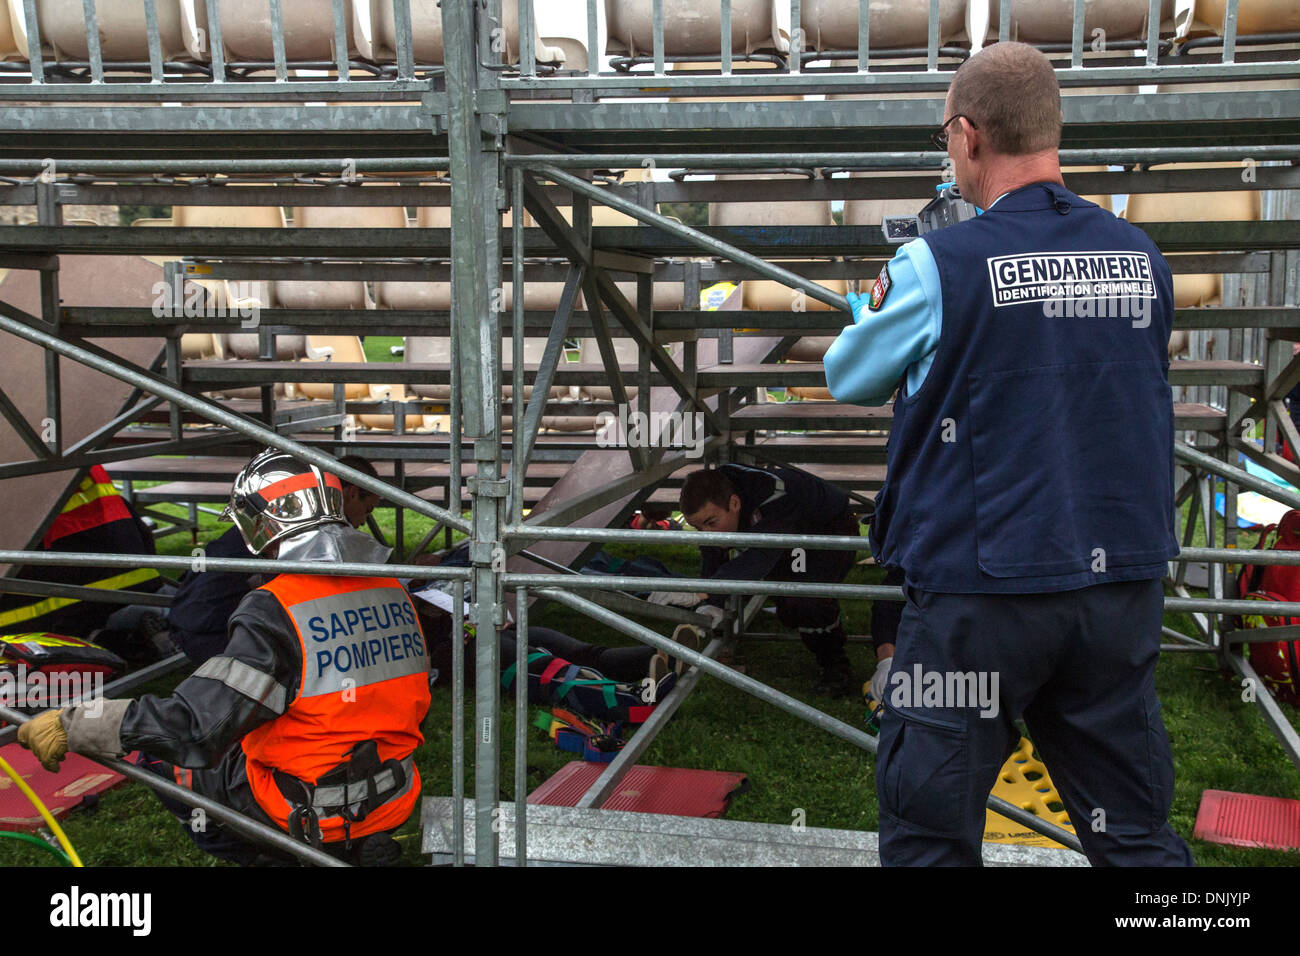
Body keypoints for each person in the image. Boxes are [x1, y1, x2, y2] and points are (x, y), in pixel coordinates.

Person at [824, 42, 1193, 866]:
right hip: (1116, 587)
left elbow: (849, 375)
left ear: (967, 135)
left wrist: (868, 316)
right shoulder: (1144, 258)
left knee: (931, 829)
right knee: (1131, 830)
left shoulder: (935, 264)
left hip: (976, 601)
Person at [18, 448, 431, 866]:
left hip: (312, 810)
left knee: (163, 759)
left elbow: (195, 727)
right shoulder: (390, 588)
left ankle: (280, 856)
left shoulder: (277, 606)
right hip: (390, 793)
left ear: (264, 526)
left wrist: (76, 723)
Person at [166, 454, 384, 665]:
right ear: (352, 493)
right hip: (214, 629)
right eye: (367, 510)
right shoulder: (309, 533)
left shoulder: (292, 518)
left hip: (203, 618)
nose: (364, 522)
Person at [667, 463, 859, 696]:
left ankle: (835, 665)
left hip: (829, 529)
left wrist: (704, 592)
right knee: (789, 605)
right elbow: (713, 551)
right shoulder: (720, 494)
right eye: (698, 528)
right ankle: (798, 617)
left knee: (807, 599)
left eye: (711, 523)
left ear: (735, 504)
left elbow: (761, 555)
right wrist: (711, 602)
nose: (706, 533)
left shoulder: (773, 495)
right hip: (789, 534)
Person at [0, 464, 171, 667]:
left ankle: (115, 640)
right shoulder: (67, 449)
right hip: (124, 576)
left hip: (47, 600)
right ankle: (130, 638)